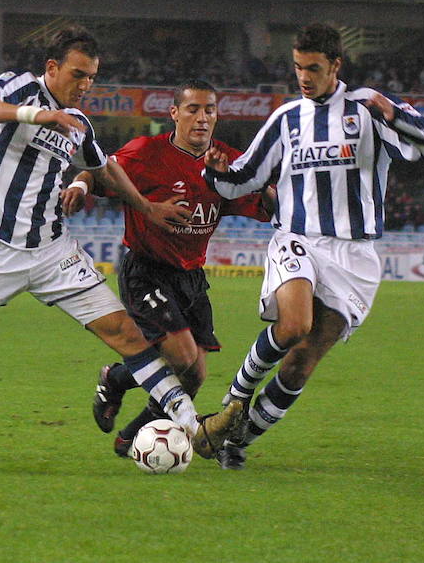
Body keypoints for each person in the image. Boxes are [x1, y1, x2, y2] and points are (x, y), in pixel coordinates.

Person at [0, 25, 243, 459]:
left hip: (51, 250)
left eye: (92, 77)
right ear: (52, 68)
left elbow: (104, 168)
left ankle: (194, 426)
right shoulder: (21, 88)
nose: (85, 85)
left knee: (129, 335)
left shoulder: (78, 123)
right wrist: (38, 116)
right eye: (78, 74)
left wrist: (147, 207)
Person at [202, 23, 424, 469]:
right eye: (297, 68)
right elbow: (245, 179)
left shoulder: (368, 109)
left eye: (313, 68)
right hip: (298, 239)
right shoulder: (286, 118)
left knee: (300, 364)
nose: (304, 77)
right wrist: (216, 171)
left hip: (355, 257)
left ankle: (235, 441)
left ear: (336, 65)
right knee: (293, 325)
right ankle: (234, 397)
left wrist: (393, 111)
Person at [62, 78, 274, 457]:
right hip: (146, 269)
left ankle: (131, 428)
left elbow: (263, 203)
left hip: (191, 276)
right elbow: (97, 171)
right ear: (174, 113)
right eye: (192, 109)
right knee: (179, 356)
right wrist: (78, 187)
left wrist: (278, 187)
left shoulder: (229, 160)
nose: (202, 118)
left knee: (195, 375)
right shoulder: (146, 152)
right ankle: (121, 382)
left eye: (209, 110)